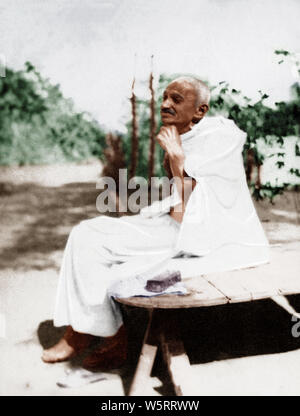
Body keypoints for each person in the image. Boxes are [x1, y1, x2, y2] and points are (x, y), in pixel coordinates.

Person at [42, 76, 270, 369]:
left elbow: (196, 206)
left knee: (112, 263)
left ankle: (104, 338)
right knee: (85, 234)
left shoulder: (221, 139)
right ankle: (90, 332)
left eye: (176, 99)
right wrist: (174, 154)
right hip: (171, 227)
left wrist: (176, 158)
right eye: (164, 98)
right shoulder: (179, 136)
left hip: (202, 238)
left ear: (200, 111)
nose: (165, 104)